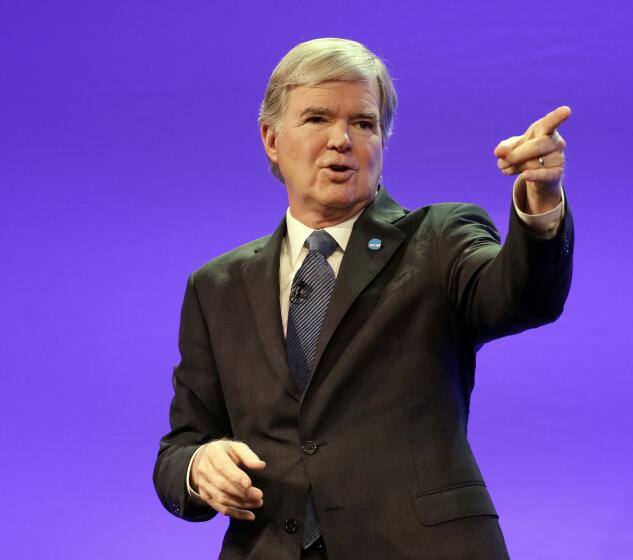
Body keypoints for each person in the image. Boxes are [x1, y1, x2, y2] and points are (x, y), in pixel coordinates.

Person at [153, 37, 574, 560]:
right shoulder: (216, 287)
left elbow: (520, 295)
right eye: (317, 119)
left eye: (364, 123)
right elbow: (180, 445)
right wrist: (199, 467)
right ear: (271, 139)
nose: (342, 140)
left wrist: (541, 201)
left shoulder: (440, 238)